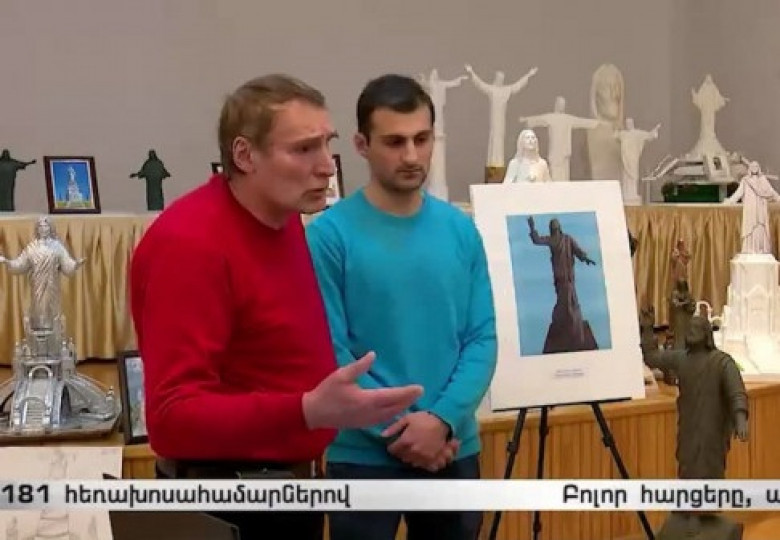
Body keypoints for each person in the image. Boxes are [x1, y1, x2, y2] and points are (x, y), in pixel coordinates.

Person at [128, 74, 423, 539]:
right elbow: (172, 416)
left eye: (327, 144)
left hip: (286, 492)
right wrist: (307, 411)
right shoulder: (190, 243)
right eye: (303, 149)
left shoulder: (283, 221)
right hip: (225, 504)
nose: (327, 167)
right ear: (245, 156)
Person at [306, 74, 497, 540]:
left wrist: (441, 421)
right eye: (394, 142)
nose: (411, 155)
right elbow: (330, 350)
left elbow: (482, 338)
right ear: (361, 145)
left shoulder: (460, 230)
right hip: (363, 455)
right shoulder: (329, 236)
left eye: (421, 139)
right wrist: (405, 431)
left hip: (451, 446)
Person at [639, 306, 748, 537]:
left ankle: (704, 516)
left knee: (708, 468)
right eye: (690, 328)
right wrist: (648, 329)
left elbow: (736, 391)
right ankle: (688, 513)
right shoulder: (682, 359)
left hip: (711, 429)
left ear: (707, 334)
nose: (691, 331)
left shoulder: (722, 362)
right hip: (688, 427)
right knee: (687, 465)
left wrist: (740, 418)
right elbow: (652, 357)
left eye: (697, 328)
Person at [0, 216, 85, 332]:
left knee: (52, 311)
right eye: (41, 226)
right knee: (38, 310)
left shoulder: (57, 247)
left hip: (52, 286)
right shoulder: (31, 248)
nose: (43, 229)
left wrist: (75, 265)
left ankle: (54, 335)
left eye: (46, 226)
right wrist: (7, 262)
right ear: (37, 229)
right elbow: (20, 264)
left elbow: (67, 264)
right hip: (37, 286)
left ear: (50, 228)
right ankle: (39, 332)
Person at [527, 216, 598, 353]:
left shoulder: (567, 239)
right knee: (566, 300)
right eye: (553, 228)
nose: (555, 230)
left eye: (556, 228)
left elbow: (577, 251)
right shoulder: (552, 240)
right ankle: (567, 326)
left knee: (570, 300)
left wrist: (585, 258)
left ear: (559, 228)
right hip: (560, 277)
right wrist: (532, 228)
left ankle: (571, 326)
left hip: (568, 277)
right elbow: (537, 240)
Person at [519, 96, 599, 181]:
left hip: (565, 153)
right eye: (560, 104)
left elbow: (581, 122)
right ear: (556, 105)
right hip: (555, 153)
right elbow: (539, 119)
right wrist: (526, 119)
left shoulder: (568, 118)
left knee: (564, 177)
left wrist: (597, 123)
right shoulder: (551, 117)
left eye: (563, 104)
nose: (561, 106)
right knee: (556, 176)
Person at [723, 160, 780, 254]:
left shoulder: (763, 180)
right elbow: (738, 193)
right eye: (752, 166)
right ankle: (750, 249)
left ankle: (761, 249)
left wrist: (778, 198)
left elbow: (771, 191)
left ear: (759, 168)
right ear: (749, 168)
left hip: (760, 208)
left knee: (760, 227)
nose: (754, 168)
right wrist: (730, 201)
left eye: (756, 166)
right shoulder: (746, 180)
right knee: (750, 227)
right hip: (750, 208)